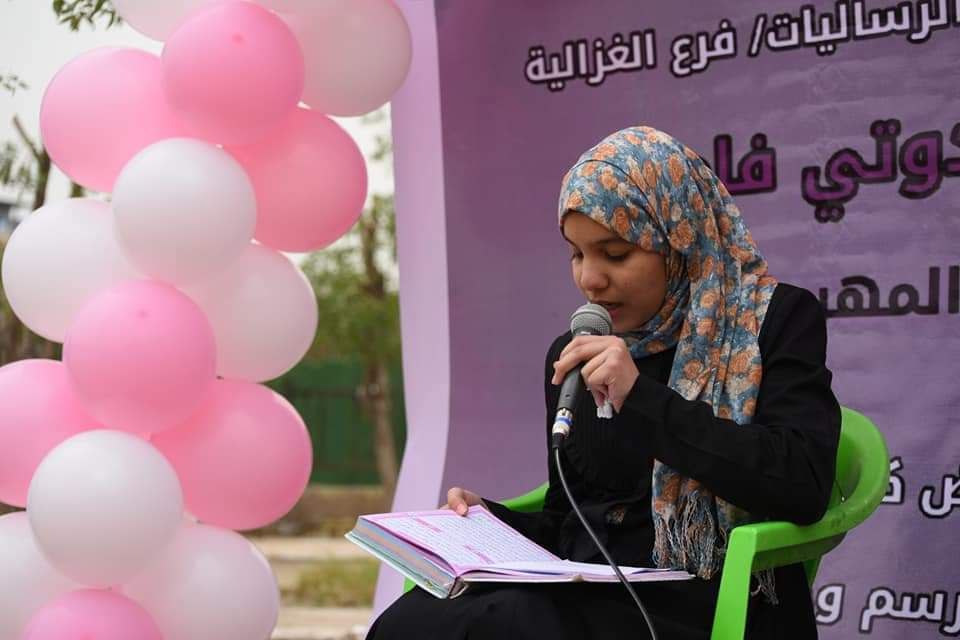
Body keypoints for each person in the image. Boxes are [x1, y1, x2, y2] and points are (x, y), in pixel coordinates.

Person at [366, 126, 840, 639]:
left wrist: (640, 397)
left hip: (707, 597)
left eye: (614, 254)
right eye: (577, 254)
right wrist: (489, 523)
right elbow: (571, 519)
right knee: (409, 622)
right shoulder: (576, 352)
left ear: (679, 243)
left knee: (511, 625)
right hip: (589, 591)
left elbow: (801, 484)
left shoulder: (771, 322)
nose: (590, 279)